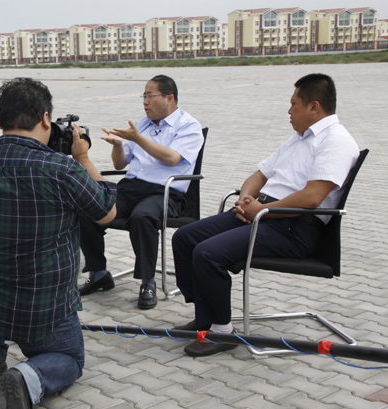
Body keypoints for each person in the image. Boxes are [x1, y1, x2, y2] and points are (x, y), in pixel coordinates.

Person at [0, 77, 116, 409]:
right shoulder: (62, 169)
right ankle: (29, 379)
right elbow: (106, 211)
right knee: (69, 358)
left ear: (0, 122)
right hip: (40, 309)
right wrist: (83, 157)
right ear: (46, 119)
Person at [171, 73, 360, 357]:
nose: (289, 110)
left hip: (293, 226)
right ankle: (206, 315)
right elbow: (260, 174)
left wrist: (263, 210)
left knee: (208, 253)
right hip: (263, 213)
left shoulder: (336, 141)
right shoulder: (298, 139)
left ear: (314, 107)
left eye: (294, 104)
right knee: (186, 237)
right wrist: (246, 198)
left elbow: (313, 196)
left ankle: (222, 332)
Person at [77, 74, 204, 309]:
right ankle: (99, 273)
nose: (145, 101)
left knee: (142, 216)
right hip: (132, 187)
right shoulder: (142, 124)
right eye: (143, 96)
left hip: (165, 192)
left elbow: (171, 158)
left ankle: (148, 282)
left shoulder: (188, 126)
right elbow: (119, 165)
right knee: (88, 205)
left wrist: (137, 138)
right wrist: (118, 146)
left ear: (169, 98)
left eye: (150, 95)